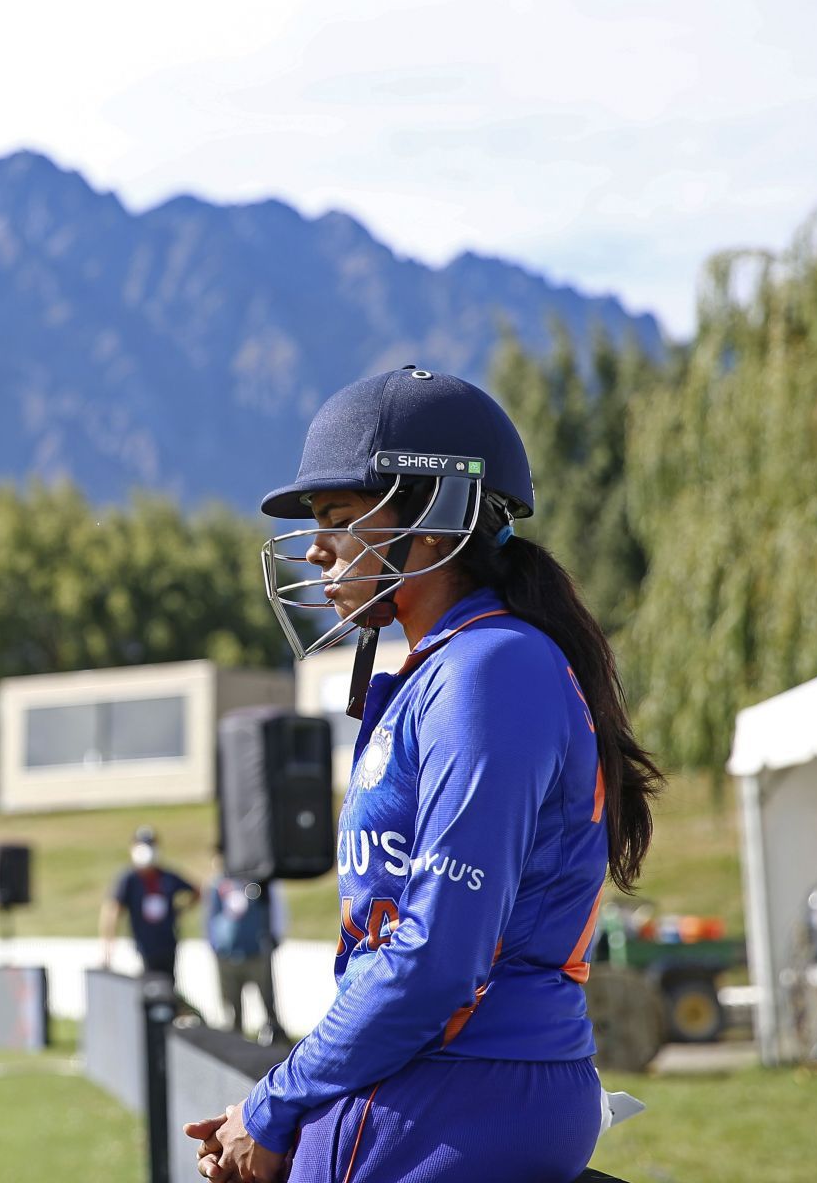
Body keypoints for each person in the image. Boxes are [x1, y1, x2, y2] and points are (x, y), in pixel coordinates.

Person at [187, 366, 662, 1183]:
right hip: (429, 1086)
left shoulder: (491, 670)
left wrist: (273, 1104)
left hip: (461, 1093)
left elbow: (439, 957)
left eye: (338, 516)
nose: (315, 548)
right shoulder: (447, 670)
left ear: (437, 517)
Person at [205, 850, 289, 1045]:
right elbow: (209, 918)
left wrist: (275, 936)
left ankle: (275, 1041)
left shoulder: (258, 881)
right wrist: (214, 944)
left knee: (268, 1004)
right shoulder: (217, 884)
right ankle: (235, 1045)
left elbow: (276, 908)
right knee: (231, 1010)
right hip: (228, 954)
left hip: (256, 953)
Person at [100, 826, 198, 977]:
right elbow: (112, 911)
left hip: (167, 943)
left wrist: (180, 910)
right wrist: (108, 948)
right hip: (143, 945)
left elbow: (196, 891)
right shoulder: (129, 879)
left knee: (167, 983)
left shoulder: (167, 876)